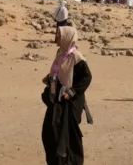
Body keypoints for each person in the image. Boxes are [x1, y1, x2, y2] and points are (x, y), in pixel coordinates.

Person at [41, 26, 92, 165]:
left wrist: (71, 93)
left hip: (69, 103)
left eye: (59, 34)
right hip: (58, 99)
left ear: (67, 37)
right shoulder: (61, 53)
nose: (56, 37)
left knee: (67, 136)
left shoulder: (77, 57)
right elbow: (60, 71)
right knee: (49, 132)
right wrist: (50, 78)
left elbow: (86, 78)